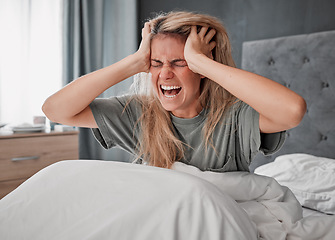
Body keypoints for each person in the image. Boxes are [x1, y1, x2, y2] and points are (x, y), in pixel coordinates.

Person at [42, 11, 306, 172]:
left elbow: (292, 110)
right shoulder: (139, 114)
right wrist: (134, 63)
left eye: (180, 63)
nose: (165, 74)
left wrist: (201, 61)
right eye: (156, 63)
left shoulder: (235, 118)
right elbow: (54, 110)